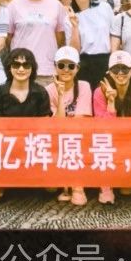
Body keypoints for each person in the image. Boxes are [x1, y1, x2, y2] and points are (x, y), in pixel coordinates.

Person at [92, 50, 131, 204]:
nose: (120, 73)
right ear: (109, 72)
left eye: (124, 69)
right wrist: (111, 103)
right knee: (101, 144)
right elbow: (102, 129)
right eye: (115, 69)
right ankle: (105, 186)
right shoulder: (99, 93)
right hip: (109, 143)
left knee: (127, 190)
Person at [6, 0, 75, 87]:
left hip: (47, 70)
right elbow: (8, 37)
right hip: (20, 68)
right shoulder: (13, 5)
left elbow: (60, 38)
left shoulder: (56, 5)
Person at [46, 45, 92, 206]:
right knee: (49, 188)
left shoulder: (84, 86)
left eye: (71, 66)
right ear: (55, 67)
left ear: (77, 68)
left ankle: (77, 186)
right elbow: (58, 124)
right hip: (57, 136)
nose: (66, 70)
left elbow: (81, 120)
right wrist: (60, 96)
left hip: (79, 135)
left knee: (74, 141)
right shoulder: (49, 90)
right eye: (61, 65)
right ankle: (65, 184)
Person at [70, 0, 113, 89]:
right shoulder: (70, 16)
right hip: (84, 62)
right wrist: (74, 26)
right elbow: (74, 50)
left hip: (106, 60)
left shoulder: (104, 7)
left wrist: (114, 60)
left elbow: (113, 34)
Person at [0, 47, 52, 117]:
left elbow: (46, 120)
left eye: (26, 65)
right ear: (9, 68)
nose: (21, 69)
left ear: (32, 68)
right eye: (16, 65)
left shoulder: (41, 92)